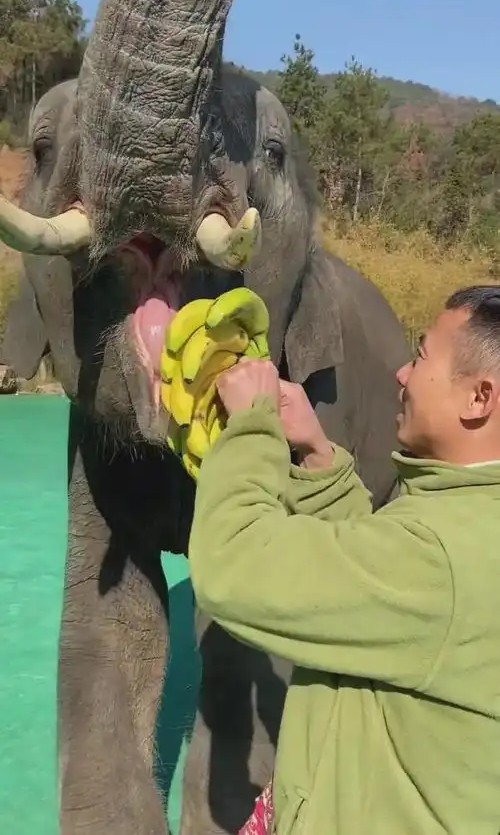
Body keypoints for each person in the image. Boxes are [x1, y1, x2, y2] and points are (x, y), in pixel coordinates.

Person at [188, 286, 500, 835]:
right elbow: (376, 588)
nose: (402, 374)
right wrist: (317, 453)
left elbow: (233, 565)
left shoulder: (440, 559)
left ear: (479, 398)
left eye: (423, 356)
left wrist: (251, 428)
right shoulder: (467, 526)